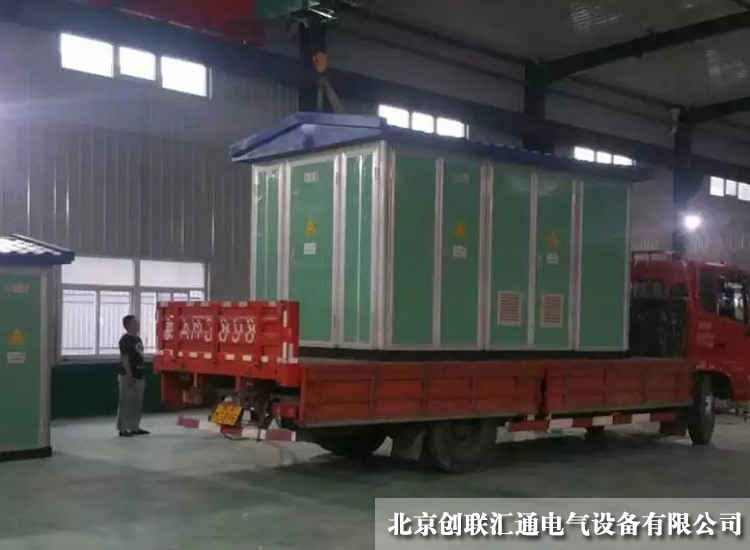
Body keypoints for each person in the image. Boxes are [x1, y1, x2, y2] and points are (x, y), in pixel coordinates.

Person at [117, 314, 150, 437]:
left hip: (139, 375)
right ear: (128, 325)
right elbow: (125, 358)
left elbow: (139, 356)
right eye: (135, 322)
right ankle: (123, 429)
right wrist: (129, 375)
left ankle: (135, 427)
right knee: (125, 403)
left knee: (137, 403)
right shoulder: (125, 340)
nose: (138, 324)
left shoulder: (138, 339)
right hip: (127, 376)